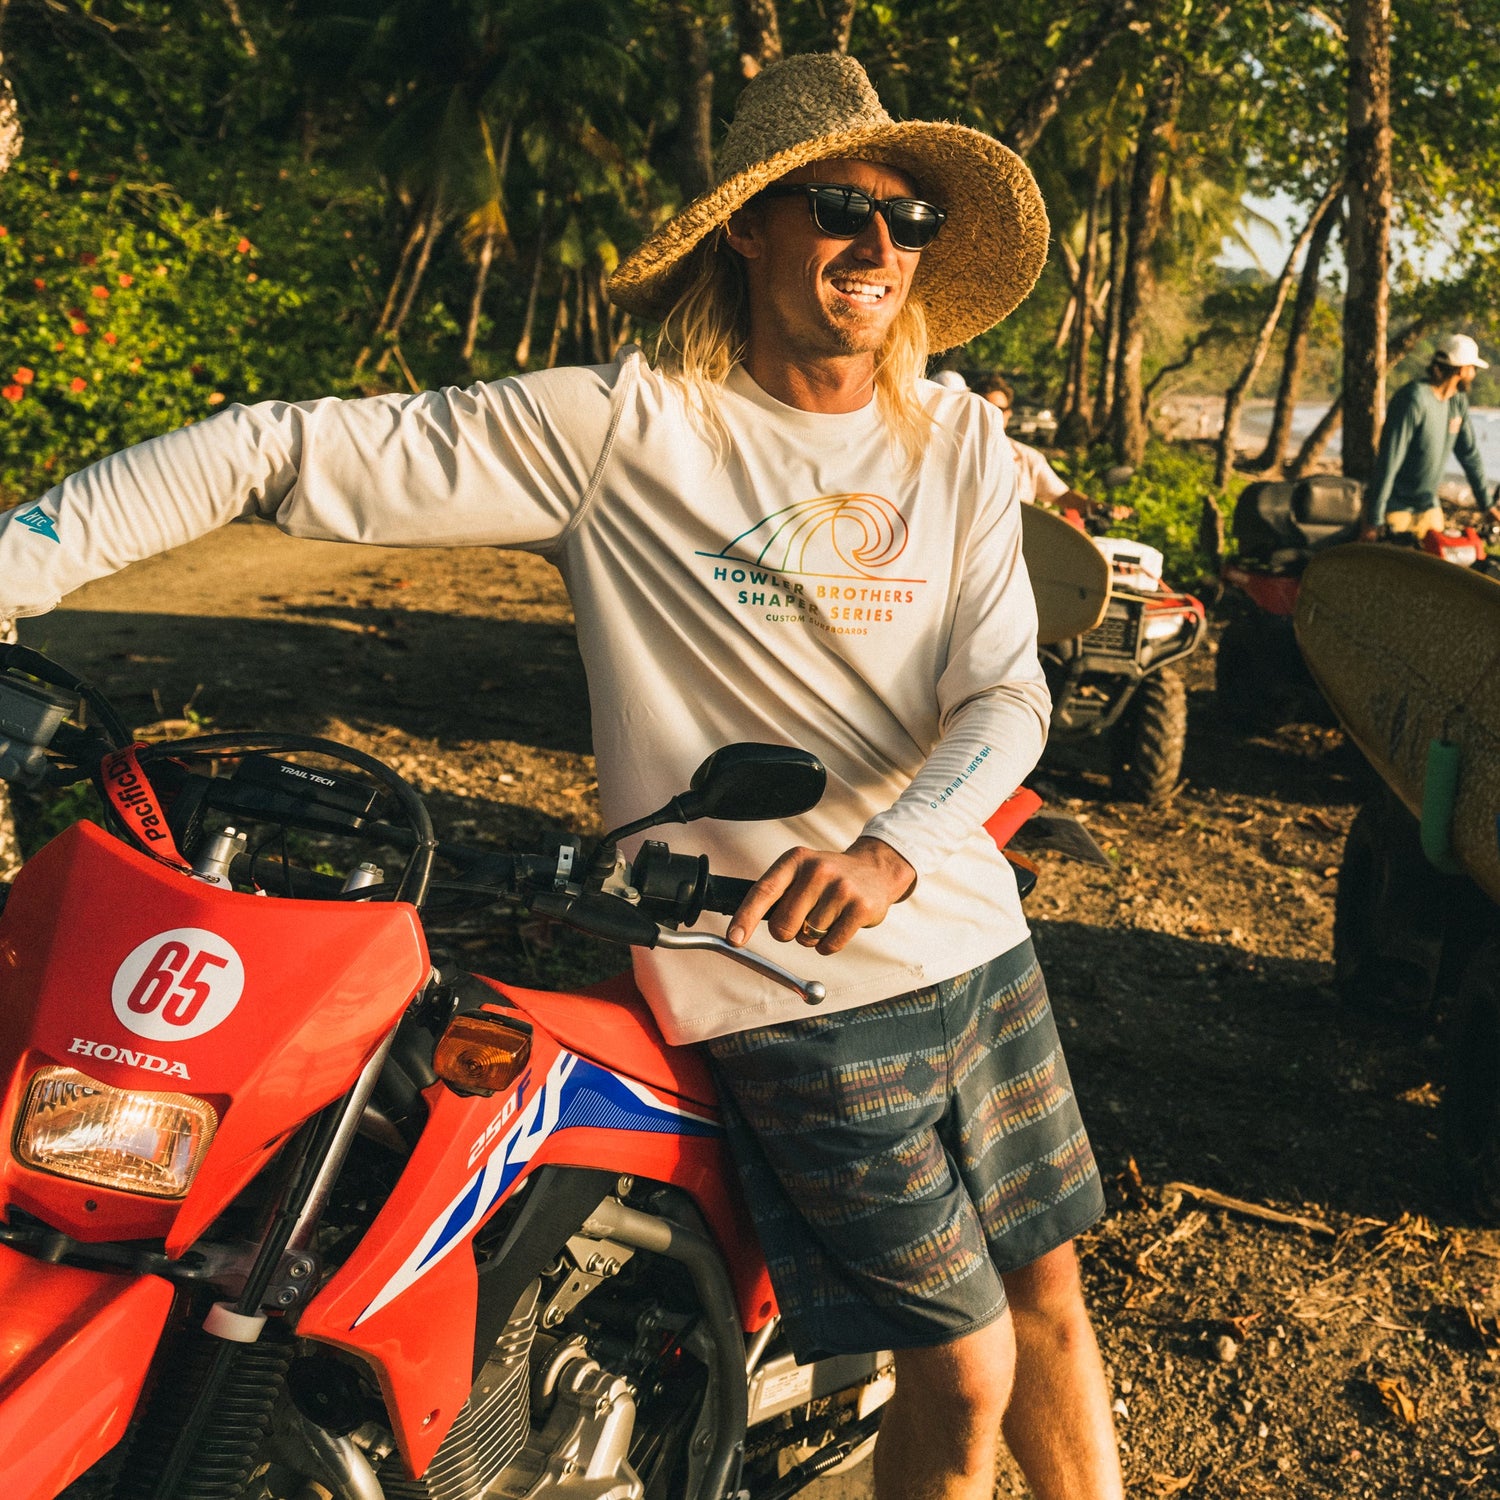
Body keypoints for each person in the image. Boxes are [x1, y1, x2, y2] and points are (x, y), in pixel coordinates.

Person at [0, 54, 1120, 1500]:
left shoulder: (957, 440)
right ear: (751, 225)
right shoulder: (625, 429)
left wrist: (899, 845)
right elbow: (279, 453)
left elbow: (1007, 692)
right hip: (783, 974)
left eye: (911, 223)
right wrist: (18, 566)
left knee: (1052, 1310)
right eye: (843, 207)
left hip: (969, 927)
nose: (880, 248)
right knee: (964, 1368)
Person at [1364, 332, 1500, 539]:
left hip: (1429, 506)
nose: (1473, 373)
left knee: (1439, 566)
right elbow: (1390, 459)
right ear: (1461, 369)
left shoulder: (1457, 401)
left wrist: (1486, 505)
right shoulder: (1414, 399)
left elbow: (1469, 455)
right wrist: (1374, 519)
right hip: (1396, 507)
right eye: (1472, 368)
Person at [972, 372, 1129, 524]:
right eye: (984, 408)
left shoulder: (1026, 458)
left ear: (1009, 413)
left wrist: (1099, 508)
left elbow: (1061, 495)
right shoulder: (955, 452)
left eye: (999, 409)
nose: (991, 415)